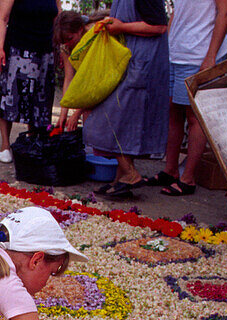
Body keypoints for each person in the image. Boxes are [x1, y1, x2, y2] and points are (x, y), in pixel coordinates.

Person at [54, 2, 169, 198]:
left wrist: (122, 28)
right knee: (121, 123)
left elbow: (159, 27)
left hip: (141, 61)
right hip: (127, 59)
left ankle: (131, 175)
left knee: (108, 119)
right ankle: (120, 178)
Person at [155, 0, 227, 195]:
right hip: (176, 53)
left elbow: (225, 12)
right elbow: (176, 13)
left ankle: (188, 178)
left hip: (199, 54)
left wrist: (211, 56)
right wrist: (167, 48)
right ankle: (170, 170)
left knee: (194, 116)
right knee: (173, 111)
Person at [0, 0, 60, 163]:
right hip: (17, 48)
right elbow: (2, 18)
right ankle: (5, 145)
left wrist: (58, 47)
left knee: (40, 99)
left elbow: (57, 18)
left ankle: (32, 142)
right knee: (9, 96)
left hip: (44, 50)